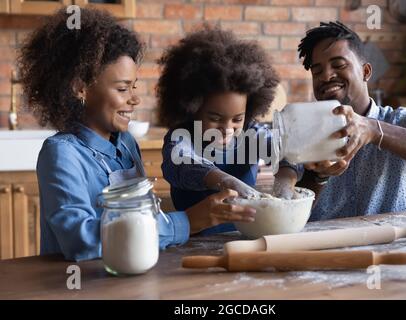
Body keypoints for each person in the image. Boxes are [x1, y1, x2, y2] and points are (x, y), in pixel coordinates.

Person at [17, 8, 243, 261]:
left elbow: (142, 219)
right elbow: (80, 241)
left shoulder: (126, 144)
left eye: (133, 87)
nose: (135, 99)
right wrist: (186, 222)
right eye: (123, 88)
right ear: (80, 88)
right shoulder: (62, 153)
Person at [294, 21, 406, 220]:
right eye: (317, 71)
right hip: (325, 249)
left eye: (339, 65)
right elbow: (288, 210)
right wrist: (318, 176)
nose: (326, 76)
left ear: (366, 72)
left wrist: (374, 130)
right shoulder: (301, 130)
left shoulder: (405, 121)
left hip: (393, 248)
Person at [157, 27, 303, 235]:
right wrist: (224, 180)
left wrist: (285, 181)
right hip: (195, 242)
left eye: (237, 119)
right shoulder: (181, 137)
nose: (227, 129)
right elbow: (181, 162)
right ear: (192, 108)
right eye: (215, 118)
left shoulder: (251, 134)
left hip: (245, 236)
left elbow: (287, 148)